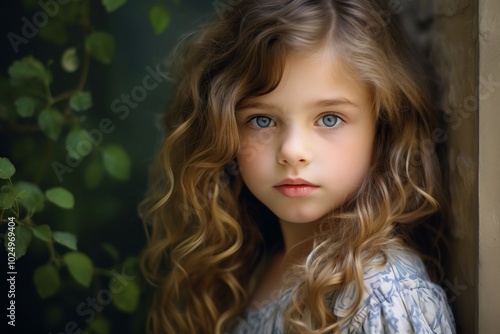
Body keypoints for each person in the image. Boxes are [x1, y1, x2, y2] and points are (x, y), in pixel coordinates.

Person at [139, 0, 456, 333]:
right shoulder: (250, 266)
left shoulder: (380, 295)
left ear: (383, 126)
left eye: (329, 119)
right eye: (262, 120)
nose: (292, 151)